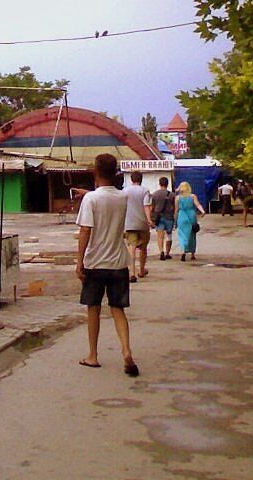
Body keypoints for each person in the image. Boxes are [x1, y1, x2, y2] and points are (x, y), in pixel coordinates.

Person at [76, 153, 139, 377]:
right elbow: (107, 200)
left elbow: (85, 231)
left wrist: (79, 262)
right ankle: (126, 350)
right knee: (117, 308)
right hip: (119, 262)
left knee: (93, 308)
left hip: (95, 263)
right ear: (115, 172)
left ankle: (93, 355)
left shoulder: (90, 200)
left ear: (95, 171)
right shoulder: (122, 198)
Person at [123, 171, 154, 282]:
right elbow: (146, 206)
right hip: (142, 224)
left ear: (131, 179)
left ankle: (132, 273)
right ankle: (141, 270)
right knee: (143, 248)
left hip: (129, 223)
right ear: (141, 179)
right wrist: (149, 220)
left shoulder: (124, 191)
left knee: (131, 248)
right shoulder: (145, 190)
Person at [174, 181, 205, 261]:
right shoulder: (193, 196)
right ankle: (192, 254)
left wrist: (175, 221)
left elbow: (176, 210)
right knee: (192, 234)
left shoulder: (178, 198)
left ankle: (183, 251)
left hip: (182, 216)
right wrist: (202, 211)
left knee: (182, 234)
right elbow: (197, 205)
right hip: (191, 215)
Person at [151, 177, 175, 261]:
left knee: (160, 236)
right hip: (169, 217)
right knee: (169, 236)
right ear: (167, 184)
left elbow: (152, 207)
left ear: (159, 183)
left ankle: (161, 251)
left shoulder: (154, 194)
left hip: (159, 217)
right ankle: (167, 253)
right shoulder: (172, 195)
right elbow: (174, 207)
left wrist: (151, 219)